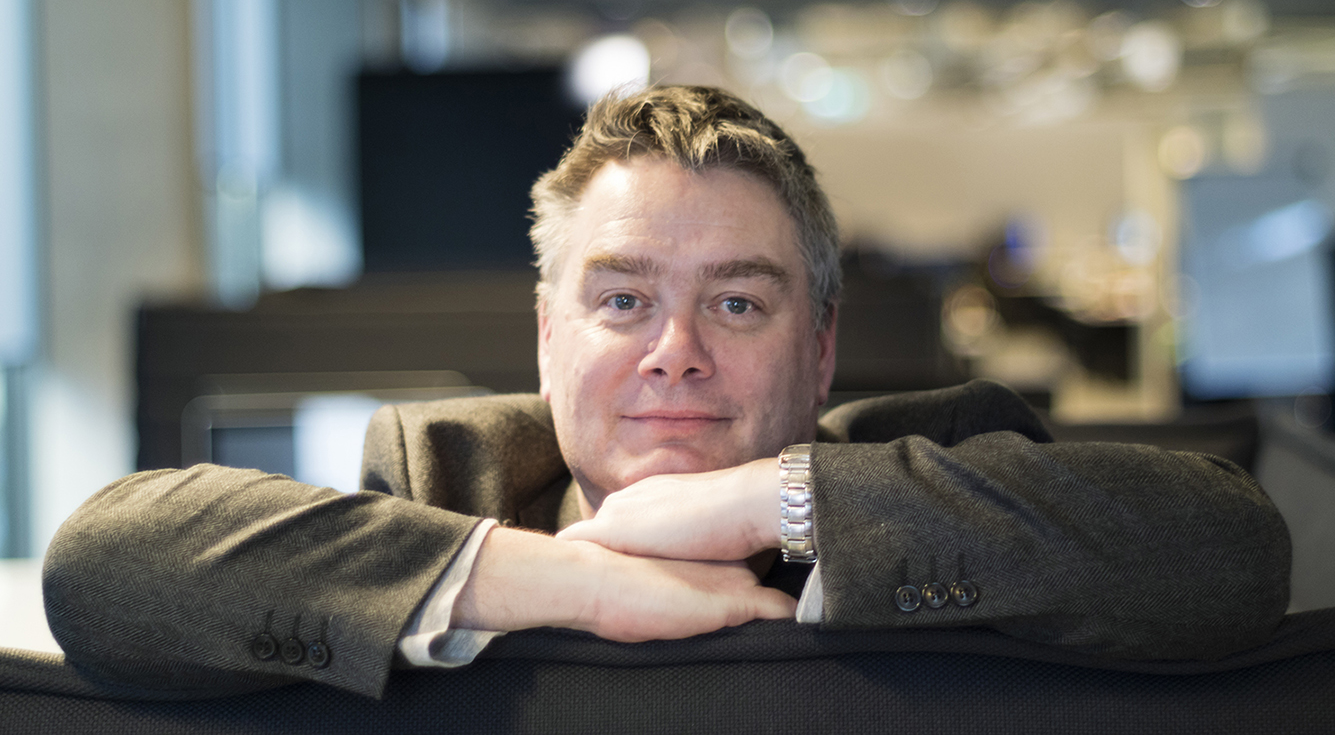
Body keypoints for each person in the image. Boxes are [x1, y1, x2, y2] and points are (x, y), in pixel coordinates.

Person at [43, 85, 1290, 700]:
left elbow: (1229, 554)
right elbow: (103, 566)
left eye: (739, 303)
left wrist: (775, 505)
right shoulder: (450, 483)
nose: (675, 351)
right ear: (547, 338)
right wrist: (575, 576)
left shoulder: (943, 464)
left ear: (821, 350)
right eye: (622, 300)